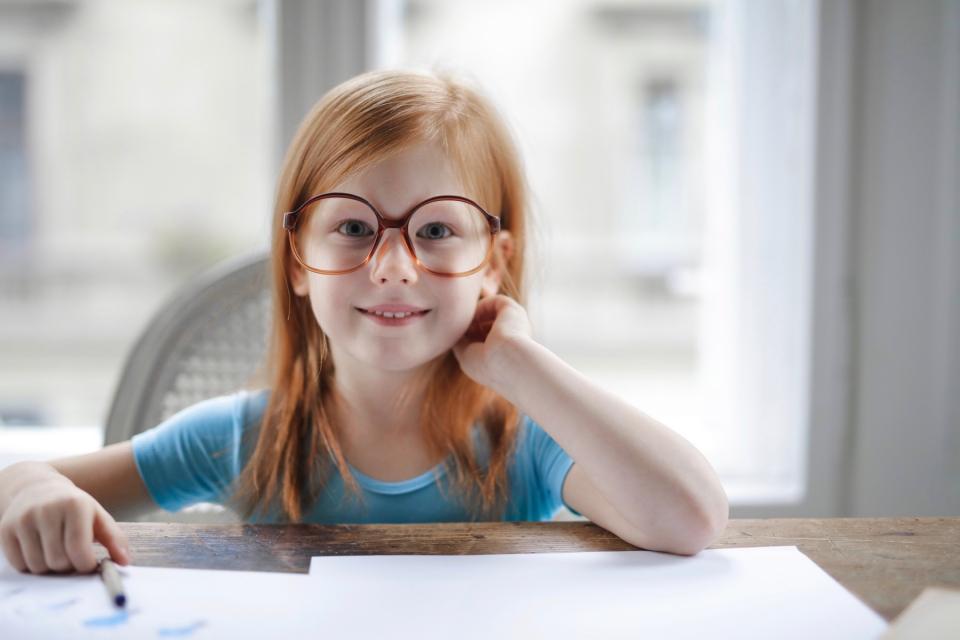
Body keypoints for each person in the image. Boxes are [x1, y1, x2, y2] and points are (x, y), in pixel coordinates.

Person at [0, 69, 728, 575]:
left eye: (438, 231)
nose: (392, 267)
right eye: (352, 227)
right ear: (295, 260)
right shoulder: (243, 440)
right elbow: (22, 482)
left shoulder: (525, 443)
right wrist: (32, 491)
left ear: (495, 262)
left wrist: (521, 364)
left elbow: (691, 517)